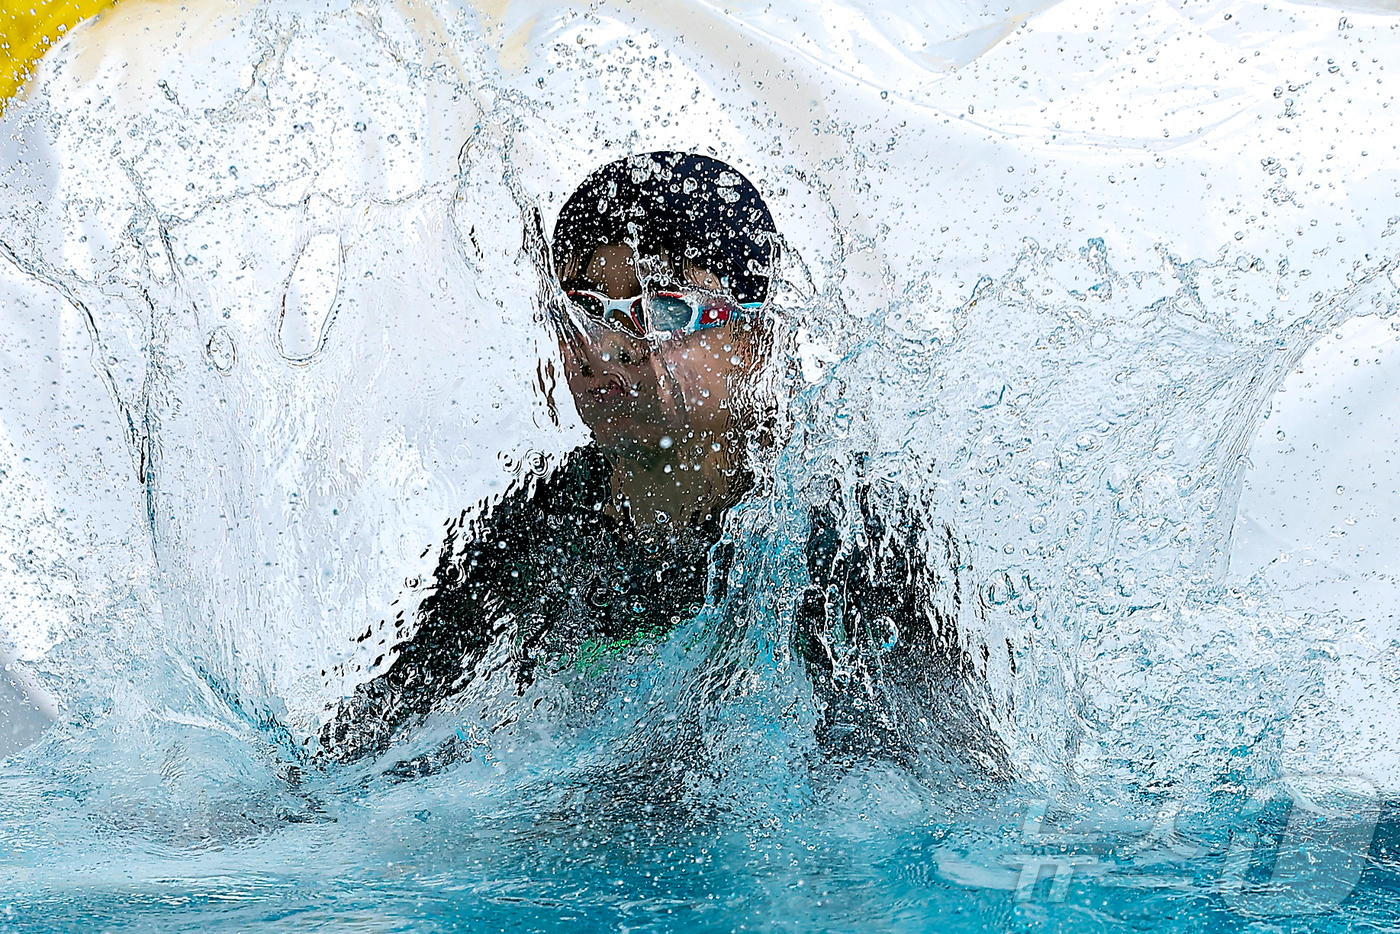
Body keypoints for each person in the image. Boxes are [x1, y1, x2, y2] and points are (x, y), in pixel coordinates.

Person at [319, 152, 1006, 781]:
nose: (610, 343)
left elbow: (949, 771)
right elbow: (372, 743)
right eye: (585, 310)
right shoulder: (536, 531)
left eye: (664, 308)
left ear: (755, 338)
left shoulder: (837, 535)